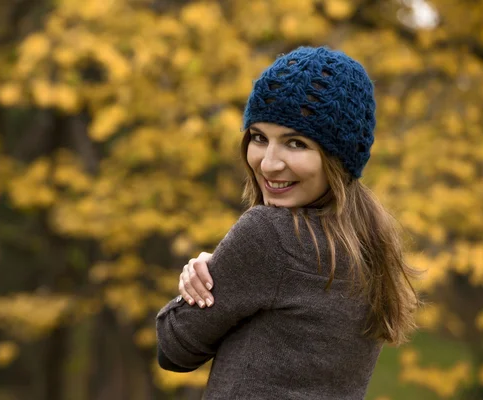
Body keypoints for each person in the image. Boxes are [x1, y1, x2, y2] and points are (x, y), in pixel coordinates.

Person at [155, 46, 420, 400]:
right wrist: (223, 269)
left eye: (296, 143)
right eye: (259, 138)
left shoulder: (270, 235)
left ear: (337, 159)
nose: (268, 164)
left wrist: (195, 285)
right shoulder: (367, 243)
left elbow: (174, 347)